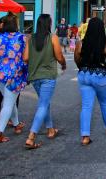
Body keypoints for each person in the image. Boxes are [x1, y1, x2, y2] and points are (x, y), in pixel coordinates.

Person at [74, 17, 106, 146]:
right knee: (104, 103)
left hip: (84, 75)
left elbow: (77, 59)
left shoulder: (81, 43)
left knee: (86, 106)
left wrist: (84, 68)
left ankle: (85, 136)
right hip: (101, 76)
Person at [22, 14, 66, 149]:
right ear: (49, 24)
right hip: (47, 76)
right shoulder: (52, 38)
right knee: (43, 105)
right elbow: (59, 56)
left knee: (44, 103)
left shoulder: (30, 39)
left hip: (34, 76)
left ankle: (50, 129)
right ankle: (31, 136)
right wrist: (63, 64)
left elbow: (25, 58)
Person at [0, 13, 28, 143]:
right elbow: (26, 56)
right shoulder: (21, 37)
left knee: (9, 99)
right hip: (14, 74)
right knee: (9, 103)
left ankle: (16, 125)